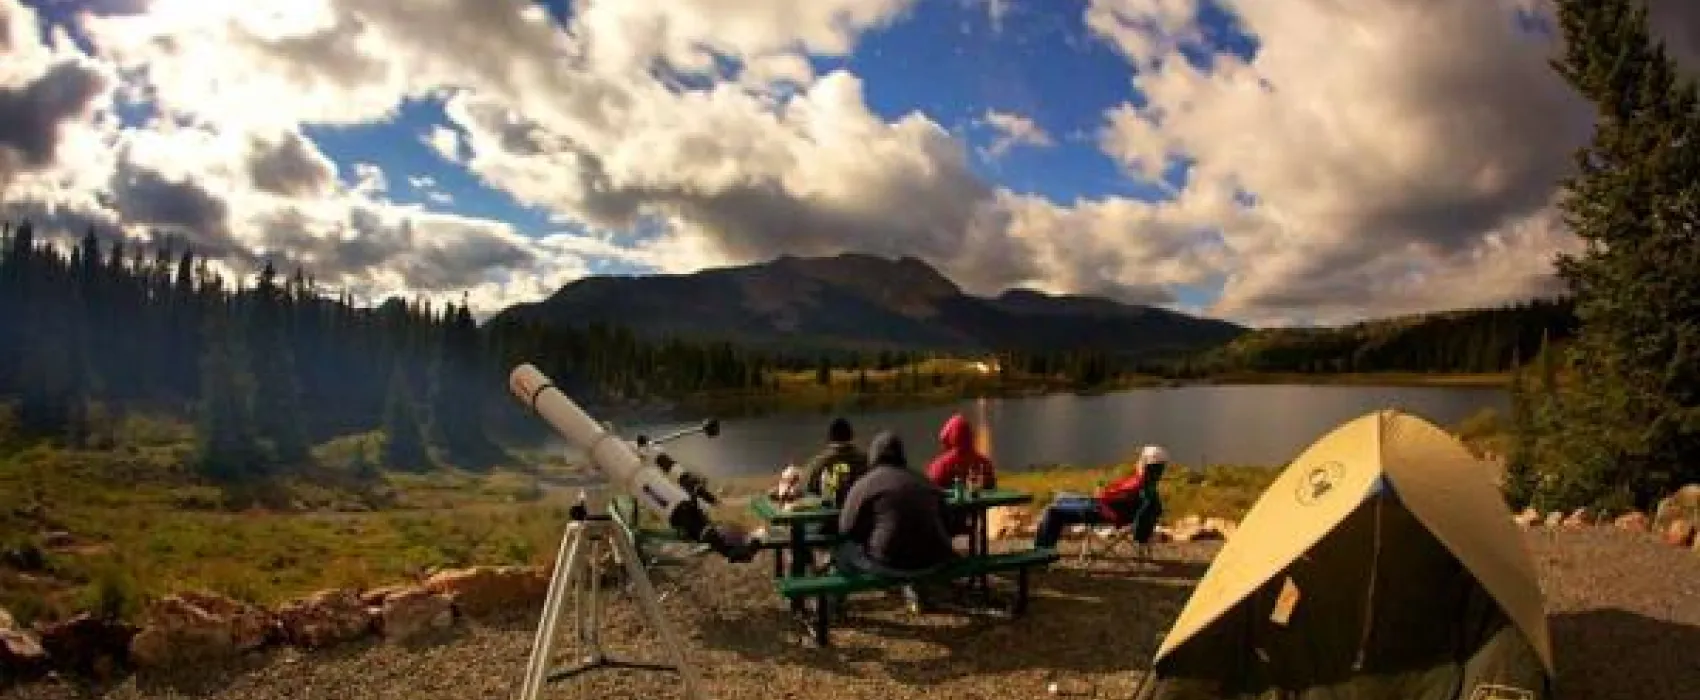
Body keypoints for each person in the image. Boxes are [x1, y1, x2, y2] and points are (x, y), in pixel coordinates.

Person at [834, 431, 957, 612]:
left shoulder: (865, 483)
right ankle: (917, 592)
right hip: (935, 560)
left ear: (873, 456)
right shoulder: (924, 480)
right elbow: (950, 523)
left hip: (891, 564)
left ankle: (833, 603)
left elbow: (845, 529)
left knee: (843, 550)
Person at [1033, 445, 1168, 549]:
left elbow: (1109, 499)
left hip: (1100, 511)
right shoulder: (1148, 484)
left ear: (1146, 464)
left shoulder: (1139, 485)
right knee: (1061, 498)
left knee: (1052, 511)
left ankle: (1042, 553)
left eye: (1141, 459)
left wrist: (1100, 493)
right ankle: (1046, 548)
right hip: (1106, 508)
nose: (1138, 461)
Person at [802, 417, 870, 508]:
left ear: (830, 437)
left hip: (827, 514)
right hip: (858, 511)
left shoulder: (819, 462)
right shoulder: (864, 460)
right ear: (851, 435)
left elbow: (805, 488)